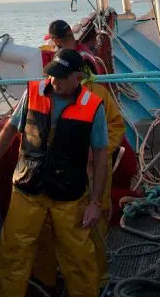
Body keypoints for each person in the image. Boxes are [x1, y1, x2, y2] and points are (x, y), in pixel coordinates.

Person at [0, 48, 107, 297]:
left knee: (78, 257)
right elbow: (9, 129)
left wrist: (96, 203)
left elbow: (100, 155)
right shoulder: (33, 93)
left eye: (61, 77)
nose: (54, 81)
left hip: (69, 194)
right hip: (27, 187)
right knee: (12, 253)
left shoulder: (93, 107)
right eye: (52, 75)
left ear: (78, 77)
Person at [31, 18, 127, 292]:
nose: (56, 81)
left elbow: (116, 126)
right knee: (64, 230)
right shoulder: (48, 96)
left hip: (93, 171)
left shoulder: (97, 95)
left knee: (95, 227)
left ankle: (99, 280)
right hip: (63, 177)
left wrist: (96, 151)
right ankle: (59, 279)